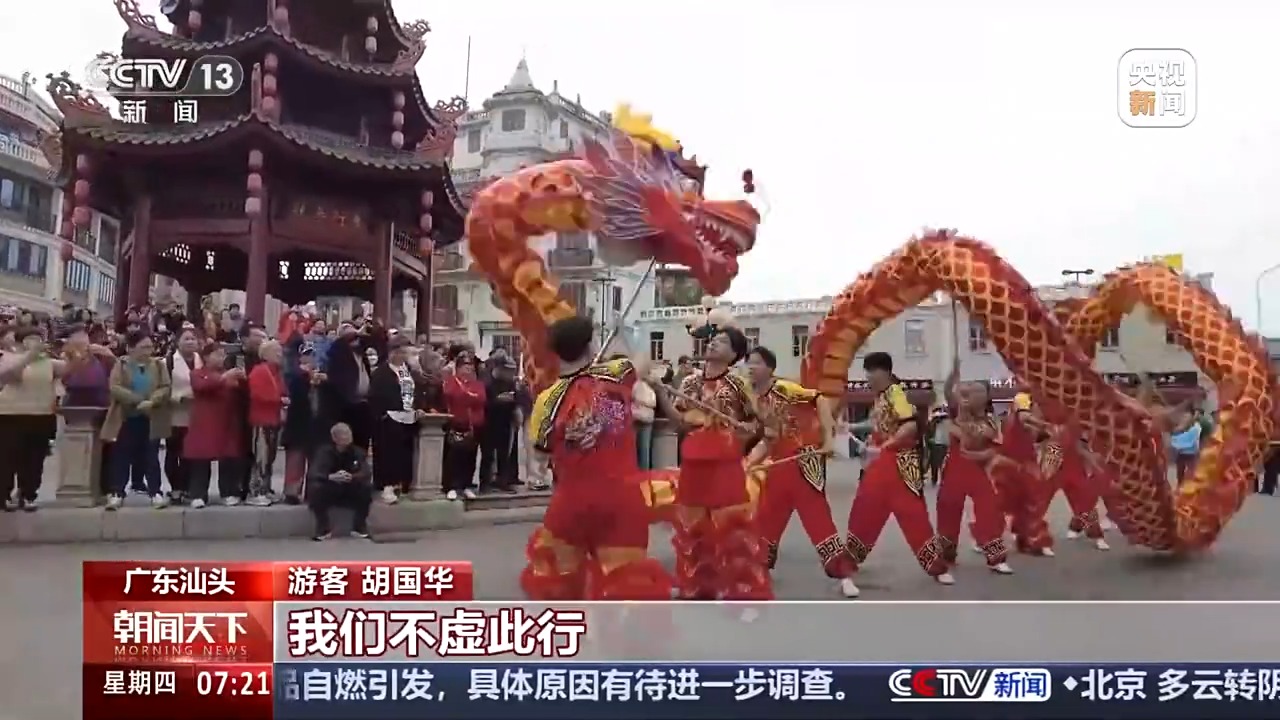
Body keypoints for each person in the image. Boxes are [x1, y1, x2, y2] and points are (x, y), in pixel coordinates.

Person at [520, 315, 672, 600]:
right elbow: (643, 360)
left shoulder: (546, 400)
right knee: (625, 587)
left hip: (571, 503)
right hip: (620, 502)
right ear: (591, 346)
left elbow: (540, 454)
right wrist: (627, 332)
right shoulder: (615, 373)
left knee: (563, 588)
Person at [745, 346, 858, 596]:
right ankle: (758, 569)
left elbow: (820, 399)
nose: (751, 368)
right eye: (749, 363)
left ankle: (843, 575)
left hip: (804, 462)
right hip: (779, 464)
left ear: (770, 368)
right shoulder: (758, 401)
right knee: (766, 520)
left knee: (819, 521)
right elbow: (770, 439)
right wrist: (749, 463)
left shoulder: (785, 389)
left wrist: (828, 439)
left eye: (757, 363)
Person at [671, 325, 772, 601]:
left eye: (723, 342)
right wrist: (660, 395)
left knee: (732, 526)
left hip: (726, 460)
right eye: (713, 340)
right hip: (693, 459)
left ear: (734, 354)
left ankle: (741, 588)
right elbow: (678, 422)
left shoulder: (739, 384)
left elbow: (757, 422)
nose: (713, 344)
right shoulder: (689, 383)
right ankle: (697, 585)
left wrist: (744, 434)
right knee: (693, 525)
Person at [845, 351, 953, 585]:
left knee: (913, 514)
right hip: (881, 464)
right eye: (866, 372)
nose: (867, 377)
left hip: (901, 463)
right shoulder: (881, 397)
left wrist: (886, 446)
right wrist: (851, 426)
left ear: (883, 372)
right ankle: (848, 561)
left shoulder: (896, 393)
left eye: (870, 371)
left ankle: (936, 566)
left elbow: (909, 426)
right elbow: (875, 424)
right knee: (865, 508)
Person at [0, 326, 93, 510]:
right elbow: (8, 375)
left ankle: (28, 494)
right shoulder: (7, 357)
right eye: (31, 338)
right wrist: (29, 356)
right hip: (11, 415)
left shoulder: (48, 362)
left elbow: (70, 369)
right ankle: (4, 494)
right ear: (20, 342)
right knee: (8, 458)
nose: (36, 342)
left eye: (38, 338)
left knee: (34, 459)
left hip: (41, 414)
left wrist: (77, 353)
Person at [934, 371, 1015, 575]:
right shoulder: (957, 413)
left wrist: (981, 455)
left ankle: (995, 557)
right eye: (971, 391)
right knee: (948, 511)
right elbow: (948, 391)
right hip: (954, 470)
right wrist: (953, 373)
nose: (974, 395)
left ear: (986, 397)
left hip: (977, 471)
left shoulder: (991, 422)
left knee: (989, 508)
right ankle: (946, 554)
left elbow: (996, 448)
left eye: (979, 391)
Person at [1021, 396, 1110, 551]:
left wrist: (1088, 455)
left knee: (1084, 500)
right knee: (1040, 500)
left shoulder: (1077, 406)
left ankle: (1096, 535)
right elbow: (1034, 434)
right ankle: (1030, 535)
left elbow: (1084, 437)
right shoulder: (1042, 404)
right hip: (1052, 457)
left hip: (1073, 460)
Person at [100, 331, 172, 509]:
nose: (148, 351)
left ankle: (155, 492)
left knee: (151, 456)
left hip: (151, 417)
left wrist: (152, 400)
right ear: (131, 348)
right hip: (126, 417)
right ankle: (117, 492)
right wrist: (137, 400)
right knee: (121, 456)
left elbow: (165, 387)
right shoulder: (122, 365)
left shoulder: (158, 365)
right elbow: (115, 387)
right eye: (143, 347)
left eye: (150, 347)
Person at [183, 343, 246, 507]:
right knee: (201, 460)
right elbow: (201, 386)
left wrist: (242, 380)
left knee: (228, 458)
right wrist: (224, 378)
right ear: (206, 357)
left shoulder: (230, 375)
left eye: (223, 355)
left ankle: (228, 492)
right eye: (217, 354)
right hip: (205, 422)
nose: (221, 358)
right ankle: (198, 494)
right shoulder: (197, 373)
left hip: (227, 421)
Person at [369, 335, 429, 503]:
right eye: (401, 352)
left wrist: (418, 407)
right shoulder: (381, 372)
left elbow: (416, 391)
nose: (403, 356)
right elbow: (375, 397)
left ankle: (402, 484)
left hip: (408, 417)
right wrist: (383, 414)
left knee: (405, 453)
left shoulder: (408, 372)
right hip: (389, 418)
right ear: (392, 352)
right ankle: (386, 486)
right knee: (388, 453)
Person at [307, 423, 374, 541]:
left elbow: (366, 472)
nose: (347, 437)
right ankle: (323, 527)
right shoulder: (324, 452)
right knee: (316, 488)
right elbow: (314, 473)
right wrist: (331, 476)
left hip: (350, 486)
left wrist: (352, 476)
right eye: (343, 435)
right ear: (334, 438)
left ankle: (359, 525)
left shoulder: (358, 452)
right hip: (330, 487)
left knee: (366, 488)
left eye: (348, 434)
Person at [281, 348, 326, 503]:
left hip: (315, 426)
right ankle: (292, 493)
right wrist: (309, 381)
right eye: (307, 355)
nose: (310, 358)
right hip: (297, 425)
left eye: (312, 355)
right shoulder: (294, 375)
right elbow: (295, 396)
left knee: (315, 460)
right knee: (295, 460)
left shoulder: (321, 376)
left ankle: (312, 492)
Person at [246, 340, 286, 506]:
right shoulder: (259, 371)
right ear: (266, 354)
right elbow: (257, 394)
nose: (280, 354)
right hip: (261, 419)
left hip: (273, 419)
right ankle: (254, 491)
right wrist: (279, 399)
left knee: (270, 457)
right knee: (260, 457)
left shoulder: (277, 372)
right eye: (276, 351)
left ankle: (266, 488)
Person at [164, 327, 202, 503]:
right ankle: (175, 488)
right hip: (175, 414)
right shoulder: (168, 362)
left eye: (193, 339)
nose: (190, 342)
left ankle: (187, 487)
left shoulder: (201, 360)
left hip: (196, 415)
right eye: (186, 339)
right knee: (174, 453)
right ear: (177, 342)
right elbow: (163, 387)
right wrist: (179, 398)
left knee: (190, 454)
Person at [442, 349, 485, 500]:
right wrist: (468, 397)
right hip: (456, 425)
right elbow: (451, 395)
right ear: (458, 367)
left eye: (470, 366)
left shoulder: (477, 384)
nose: (468, 368)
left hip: (473, 426)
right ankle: (451, 486)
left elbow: (481, 399)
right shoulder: (451, 382)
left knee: (470, 457)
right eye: (465, 365)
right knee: (453, 458)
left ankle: (466, 485)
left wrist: (466, 397)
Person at [323, 322, 374, 451]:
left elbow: (374, 340)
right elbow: (338, 344)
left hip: (363, 405)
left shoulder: (362, 353)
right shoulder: (339, 353)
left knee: (362, 444)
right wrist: (355, 332)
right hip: (346, 405)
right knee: (347, 445)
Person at [479, 358, 520, 494]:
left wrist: (515, 407)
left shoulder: (510, 383)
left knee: (504, 454)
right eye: (507, 370)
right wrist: (498, 400)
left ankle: (503, 480)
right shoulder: (487, 382)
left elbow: (516, 398)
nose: (509, 373)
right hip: (489, 422)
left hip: (505, 421)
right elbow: (483, 402)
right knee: (488, 454)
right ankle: (485, 482)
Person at [632, 362, 659, 470]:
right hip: (640, 419)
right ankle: (642, 472)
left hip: (643, 420)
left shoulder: (646, 386)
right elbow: (651, 402)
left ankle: (642, 472)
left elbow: (652, 402)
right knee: (642, 450)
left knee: (643, 449)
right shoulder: (638, 385)